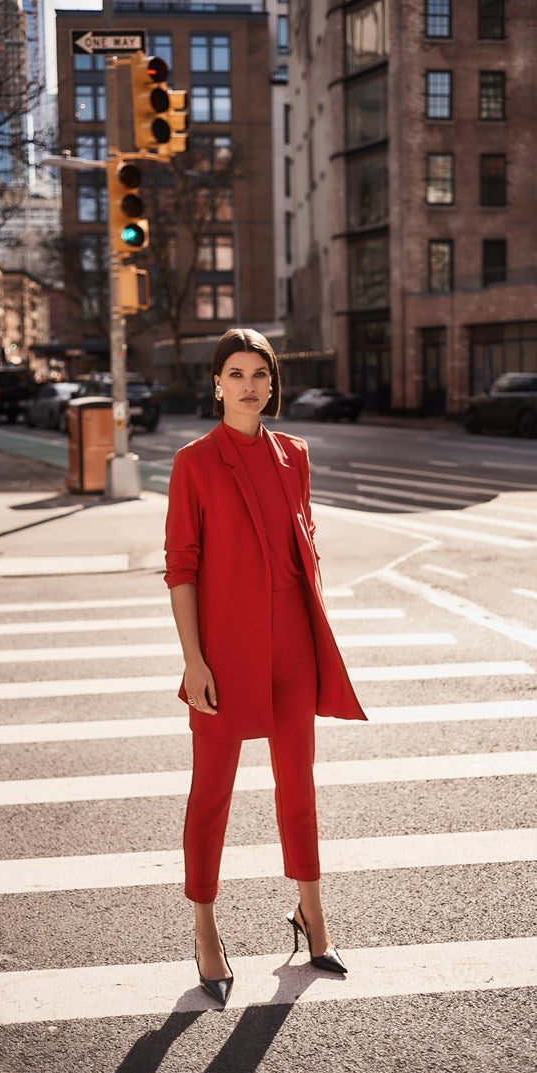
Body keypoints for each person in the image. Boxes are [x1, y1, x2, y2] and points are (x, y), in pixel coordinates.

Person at [164, 328, 366, 1008]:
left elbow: (306, 546)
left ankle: (314, 915)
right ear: (216, 383)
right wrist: (194, 660)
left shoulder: (295, 454)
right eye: (235, 372)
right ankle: (204, 928)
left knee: (297, 788)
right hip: (224, 648)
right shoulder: (194, 461)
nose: (249, 383)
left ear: (272, 385)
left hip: (292, 648)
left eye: (260, 373)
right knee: (211, 795)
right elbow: (181, 570)